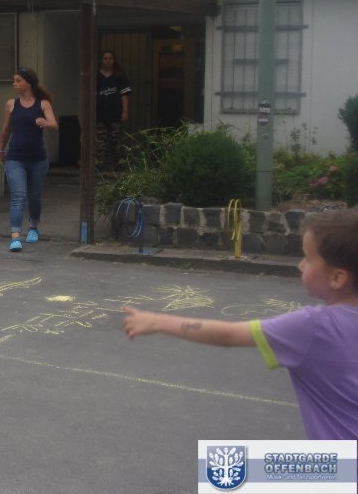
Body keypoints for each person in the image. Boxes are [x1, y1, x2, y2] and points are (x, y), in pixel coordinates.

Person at [121, 208, 358, 439]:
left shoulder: (313, 326)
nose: (300, 265)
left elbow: (228, 335)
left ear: (337, 277)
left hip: (339, 462)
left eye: (308, 258)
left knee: (227, 463)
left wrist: (157, 321)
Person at [0, 67, 58, 252]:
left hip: (37, 159)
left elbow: (54, 124)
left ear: (28, 83)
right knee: (18, 195)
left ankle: (33, 227)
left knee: (35, 195)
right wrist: (1, 148)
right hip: (15, 158)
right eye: (14, 80)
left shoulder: (43, 104)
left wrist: (45, 122)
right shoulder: (11, 104)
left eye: (18, 81)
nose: (14, 84)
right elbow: (6, 129)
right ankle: (15, 236)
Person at [96, 50, 130, 170]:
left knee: (116, 141)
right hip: (100, 114)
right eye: (105, 58)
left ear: (114, 60)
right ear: (102, 60)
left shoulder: (119, 76)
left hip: (115, 114)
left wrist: (125, 111)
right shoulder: (96, 76)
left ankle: (118, 165)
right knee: (100, 142)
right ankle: (99, 165)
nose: (108, 61)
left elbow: (124, 95)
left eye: (110, 58)